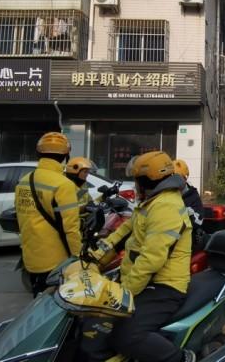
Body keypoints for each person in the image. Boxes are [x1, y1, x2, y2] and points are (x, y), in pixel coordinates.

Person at [82, 150, 195, 362]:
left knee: (126, 335)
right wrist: (94, 258)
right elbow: (122, 233)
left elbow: (150, 261)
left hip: (164, 285)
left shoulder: (166, 207)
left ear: (146, 181)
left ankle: (180, 359)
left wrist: (123, 294)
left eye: (136, 180)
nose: (135, 184)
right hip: (141, 281)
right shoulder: (152, 201)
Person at [15, 132, 80, 297]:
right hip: (55, 261)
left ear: (38, 153)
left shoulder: (23, 181)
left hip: (30, 258)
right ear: (66, 155)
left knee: (39, 300)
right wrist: (78, 258)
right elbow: (70, 228)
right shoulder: (64, 184)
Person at [173, 159, 207, 253]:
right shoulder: (166, 193)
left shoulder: (192, 195)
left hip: (187, 242)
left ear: (185, 178)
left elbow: (199, 221)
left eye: (178, 179)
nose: (174, 182)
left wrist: (186, 211)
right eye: (171, 179)